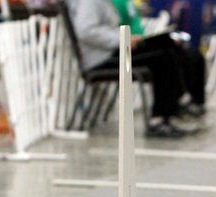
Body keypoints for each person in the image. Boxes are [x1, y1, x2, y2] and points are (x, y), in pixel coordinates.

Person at [68, 0, 206, 137]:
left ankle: (177, 106)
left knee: (168, 45)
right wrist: (122, 39)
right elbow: (86, 31)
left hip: (112, 51)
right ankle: (160, 119)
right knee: (163, 58)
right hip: (103, 58)